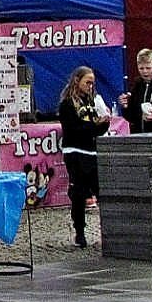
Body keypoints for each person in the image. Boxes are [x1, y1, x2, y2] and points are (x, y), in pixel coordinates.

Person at [57, 65, 111, 249]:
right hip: (75, 152)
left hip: (92, 151)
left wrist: (104, 123)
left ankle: (108, 231)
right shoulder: (67, 104)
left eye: (92, 83)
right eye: (87, 82)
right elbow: (73, 129)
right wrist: (94, 127)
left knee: (100, 190)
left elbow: (98, 129)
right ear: (77, 81)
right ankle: (80, 231)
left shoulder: (92, 101)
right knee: (79, 193)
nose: (90, 86)